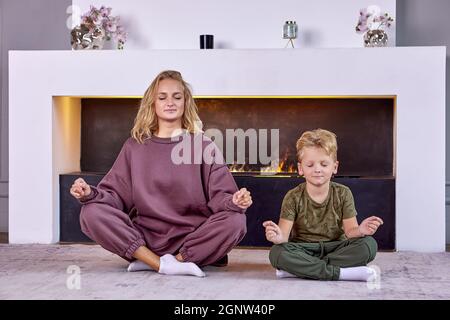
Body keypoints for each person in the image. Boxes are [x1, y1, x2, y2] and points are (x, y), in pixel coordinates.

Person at [70, 70, 252, 277]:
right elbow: (115, 195)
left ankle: (169, 262)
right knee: (91, 212)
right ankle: (160, 263)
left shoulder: (202, 145)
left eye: (177, 97)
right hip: (146, 239)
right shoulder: (135, 147)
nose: (170, 102)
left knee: (235, 221)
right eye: (162, 97)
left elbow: (221, 196)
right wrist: (89, 195)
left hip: (191, 237)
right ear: (152, 103)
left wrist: (234, 201)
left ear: (185, 103)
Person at [263, 128, 383, 281]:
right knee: (277, 253)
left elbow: (350, 232)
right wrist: (277, 237)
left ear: (334, 167)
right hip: (303, 249)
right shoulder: (293, 196)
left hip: (336, 248)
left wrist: (360, 230)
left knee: (368, 245)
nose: (317, 169)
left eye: (324, 164)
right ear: (301, 168)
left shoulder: (343, 193)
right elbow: (284, 238)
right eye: (310, 165)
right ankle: (341, 273)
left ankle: (301, 270)